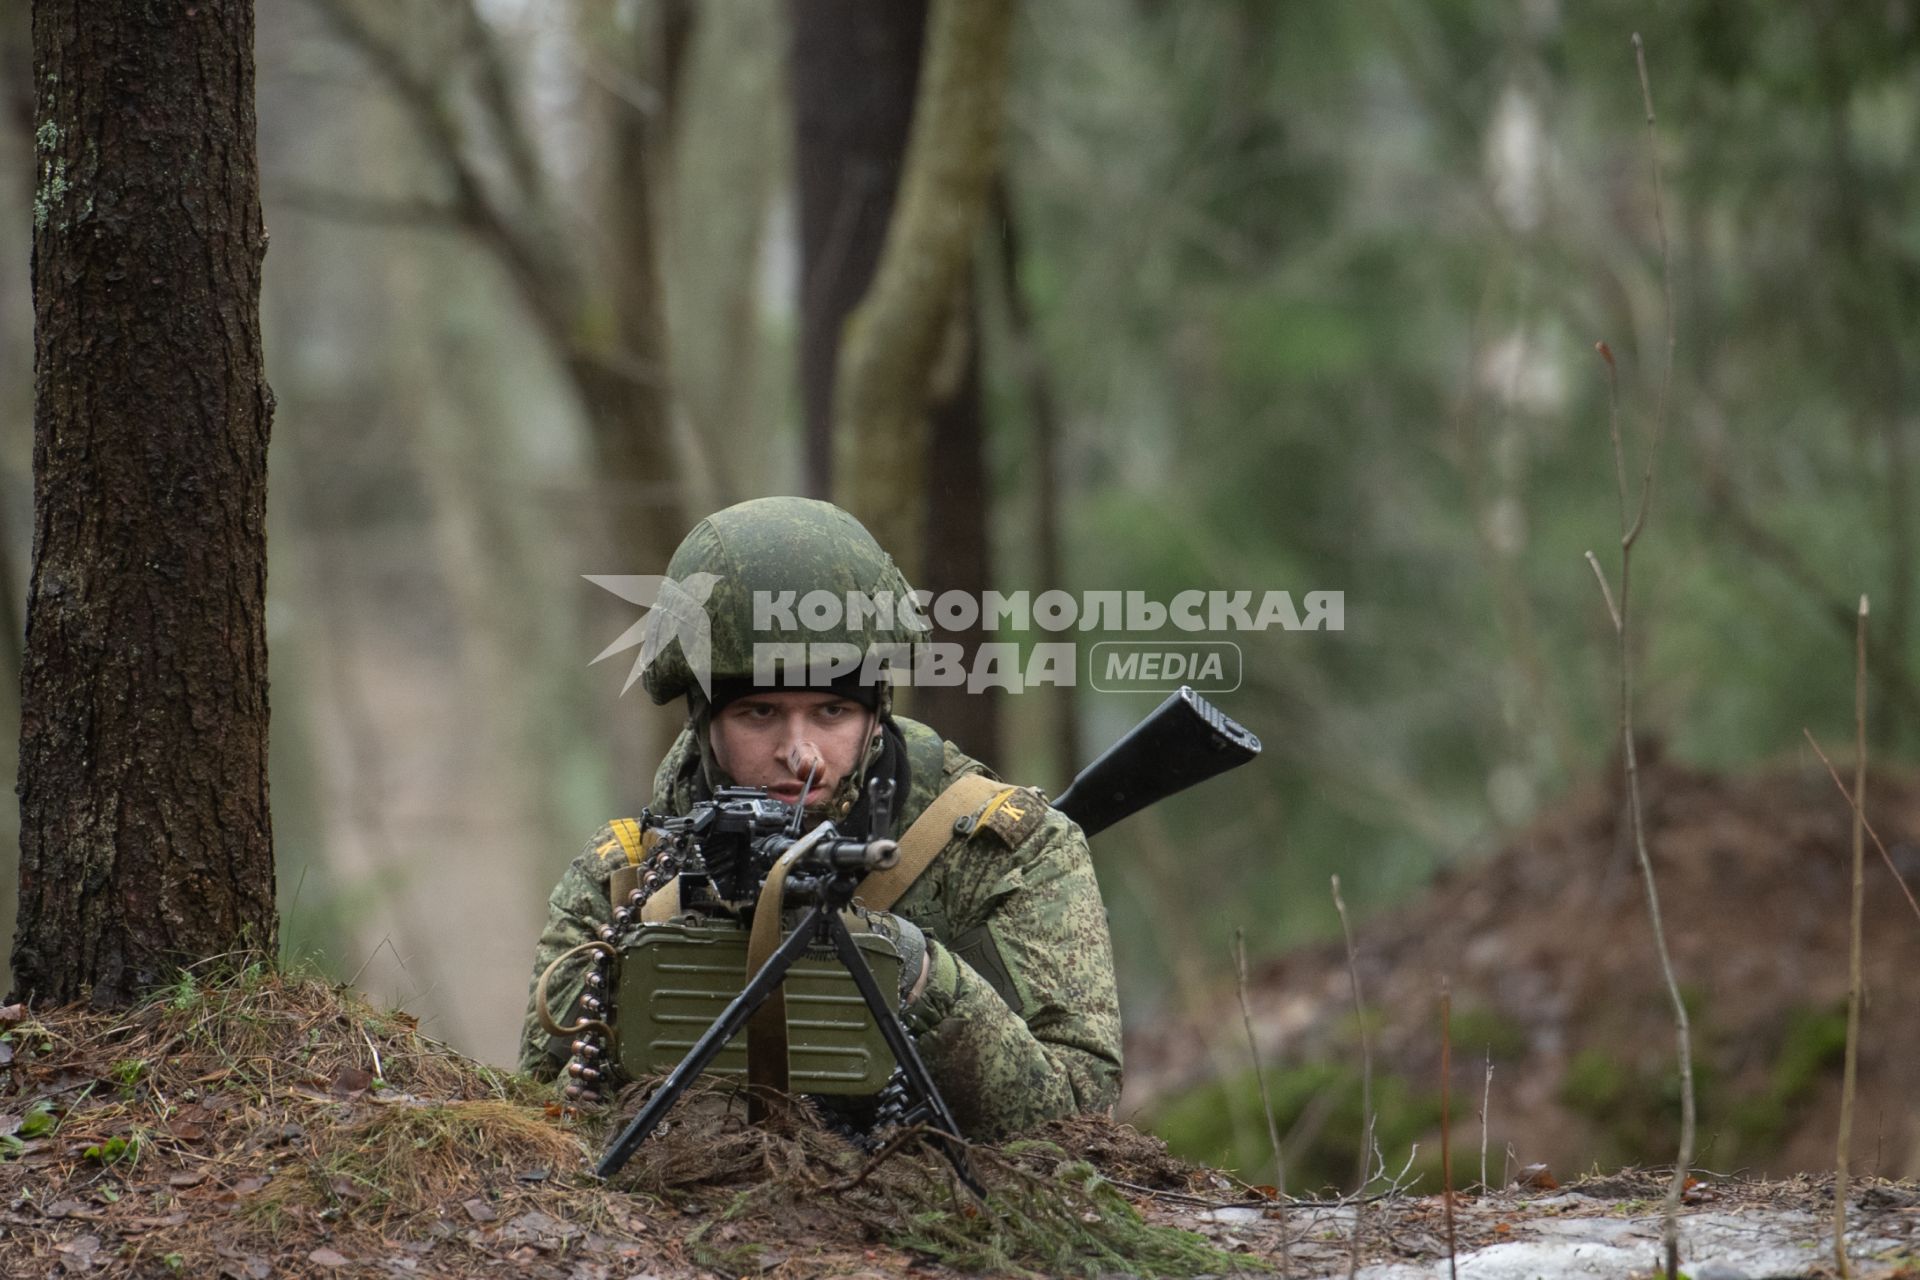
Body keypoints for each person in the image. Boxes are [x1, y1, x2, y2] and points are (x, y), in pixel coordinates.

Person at [518, 496, 1122, 1139]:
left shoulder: (1006, 855)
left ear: (876, 709)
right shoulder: (620, 879)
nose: (799, 751)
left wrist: (917, 973)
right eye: (760, 713)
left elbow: (1078, 1122)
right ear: (702, 718)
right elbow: (541, 1118)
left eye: (832, 711)